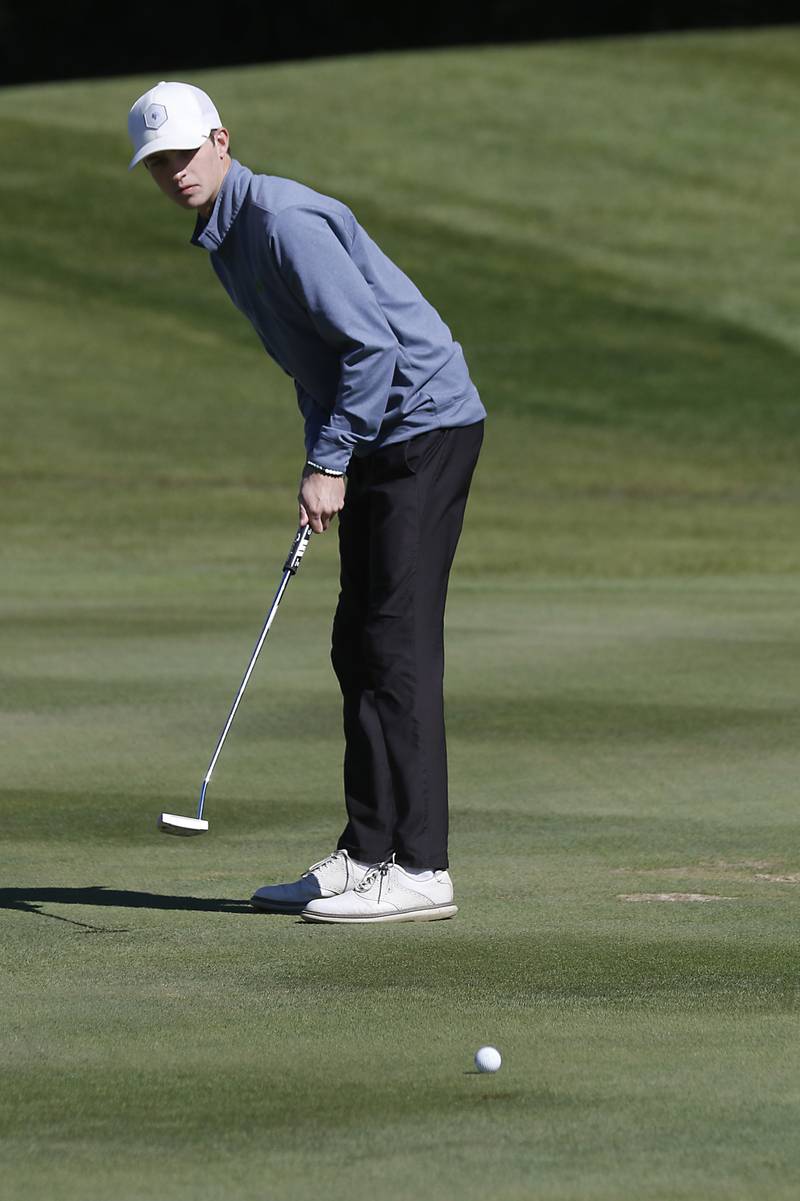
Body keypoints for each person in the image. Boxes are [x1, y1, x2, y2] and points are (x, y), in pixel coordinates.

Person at [127, 81, 486, 923]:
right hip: (376, 437)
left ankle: (423, 868)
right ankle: (368, 853)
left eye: (184, 153)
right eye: (158, 163)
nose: (174, 172)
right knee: (354, 640)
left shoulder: (279, 221)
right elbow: (314, 362)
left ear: (222, 140)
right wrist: (323, 460)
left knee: (394, 642)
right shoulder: (225, 237)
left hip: (425, 425)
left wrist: (331, 462)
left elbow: (371, 346)